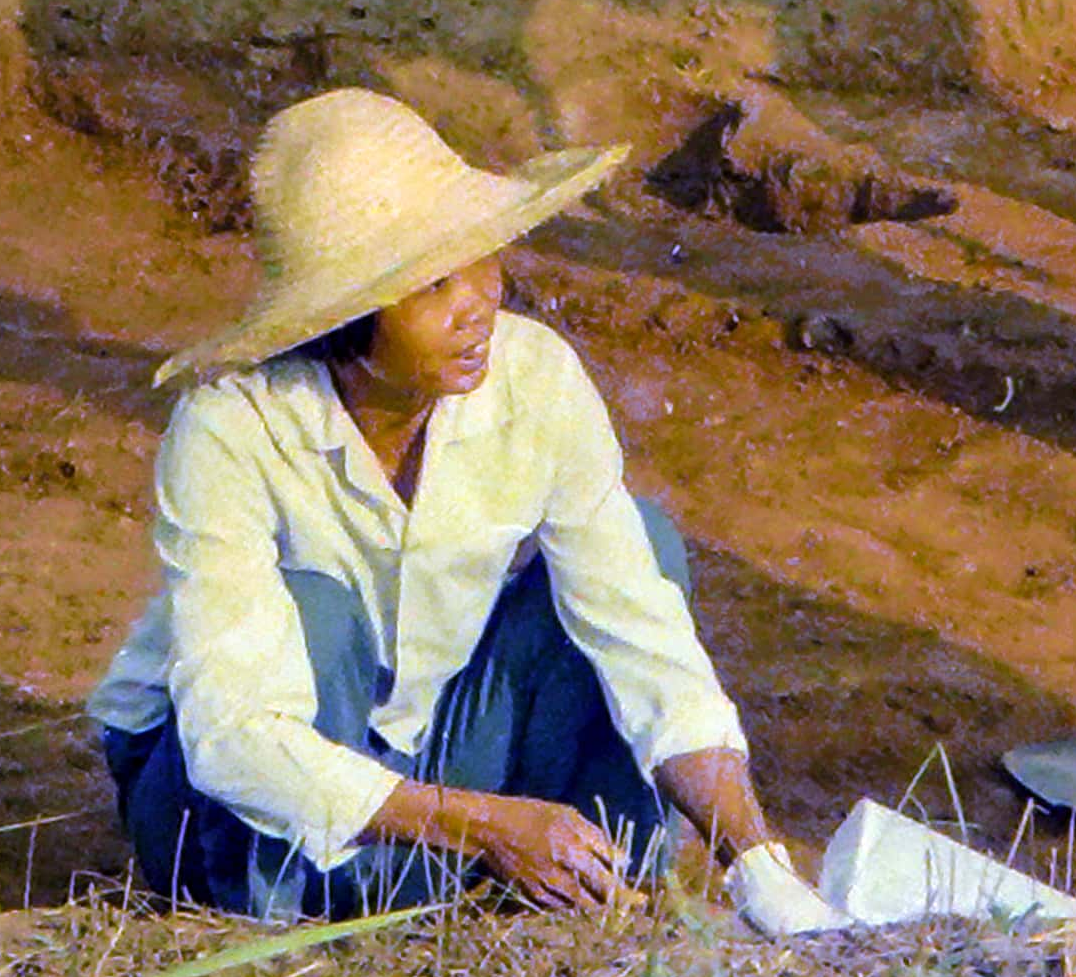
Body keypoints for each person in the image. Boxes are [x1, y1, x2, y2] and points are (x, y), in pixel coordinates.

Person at [96, 87, 832, 931]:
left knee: (648, 546)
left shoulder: (536, 380)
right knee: (319, 612)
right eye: (432, 284)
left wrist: (760, 865)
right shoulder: (230, 429)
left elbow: (644, 637)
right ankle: (300, 918)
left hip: (422, 751)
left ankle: (581, 886)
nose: (479, 299)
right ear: (347, 322)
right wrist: (484, 823)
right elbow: (233, 741)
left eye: (481, 258)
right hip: (216, 800)